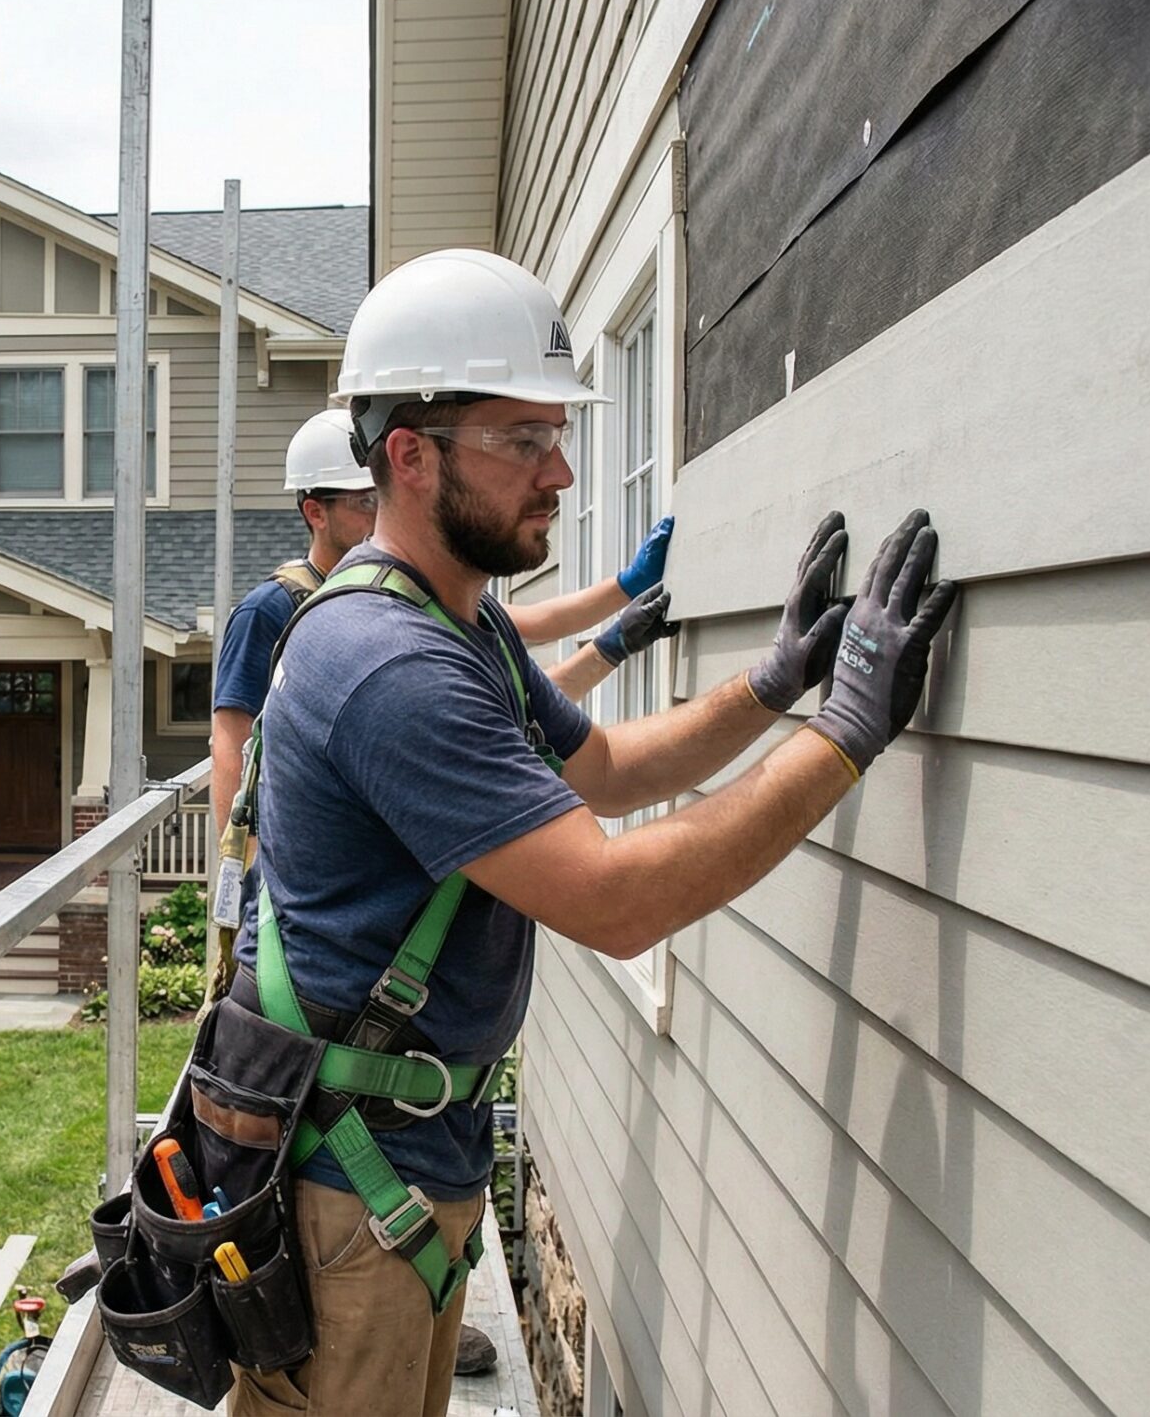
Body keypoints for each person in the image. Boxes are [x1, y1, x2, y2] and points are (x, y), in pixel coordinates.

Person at [222, 248, 957, 1417]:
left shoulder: (459, 621)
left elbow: (606, 769)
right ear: (408, 455)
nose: (560, 470)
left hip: (402, 1169)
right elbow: (616, 902)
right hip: (350, 1194)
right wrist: (846, 736)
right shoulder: (389, 664)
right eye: (522, 440)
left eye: (555, 435)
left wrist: (774, 688)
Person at [209, 411, 673, 840]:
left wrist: (625, 589)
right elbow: (232, 743)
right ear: (316, 513)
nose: (380, 509)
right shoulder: (272, 609)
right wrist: (244, 859)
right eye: (365, 500)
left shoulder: (414, 594)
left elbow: (535, 625)